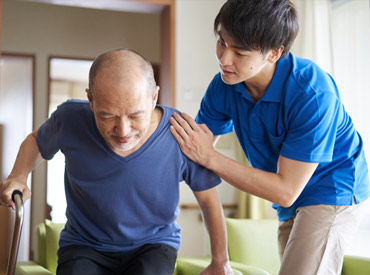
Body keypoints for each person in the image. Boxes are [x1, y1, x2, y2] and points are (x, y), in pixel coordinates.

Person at [169, 0, 370, 274]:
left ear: (274, 53)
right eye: (221, 42)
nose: (224, 59)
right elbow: (193, 152)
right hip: (288, 195)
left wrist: (210, 156)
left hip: (333, 186)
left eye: (239, 52)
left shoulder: (313, 93)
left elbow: (285, 190)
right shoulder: (224, 85)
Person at [0, 49, 233, 275]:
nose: (123, 131)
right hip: (85, 246)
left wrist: (220, 261)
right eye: (107, 116)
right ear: (90, 100)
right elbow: (36, 142)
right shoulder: (70, 119)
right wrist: (18, 176)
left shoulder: (181, 133)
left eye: (135, 116)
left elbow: (209, 200)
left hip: (152, 246)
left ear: (154, 98)